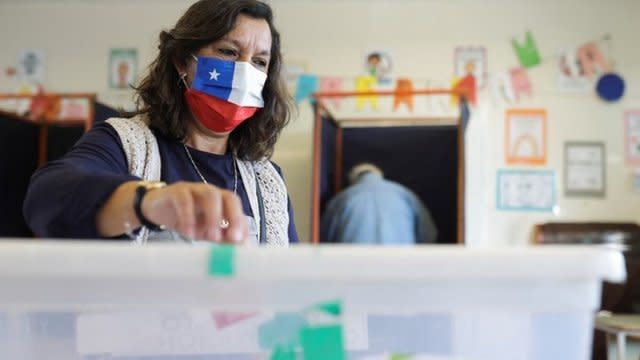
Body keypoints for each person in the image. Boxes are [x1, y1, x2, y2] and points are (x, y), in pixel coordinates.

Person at [23, 0, 298, 246]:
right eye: (228, 52)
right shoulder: (125, 143)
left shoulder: (268, 180)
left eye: (260, 62)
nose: (245, 72)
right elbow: (46, 199)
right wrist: (148, 202)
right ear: (181, 60)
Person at [321, 163, 437, 245]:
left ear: (353, 179)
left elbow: (323, 239)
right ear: (379, 175)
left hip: (354, 268)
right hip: (400, 266)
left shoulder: (341, 199)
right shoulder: (405, 194)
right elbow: (428, 235)